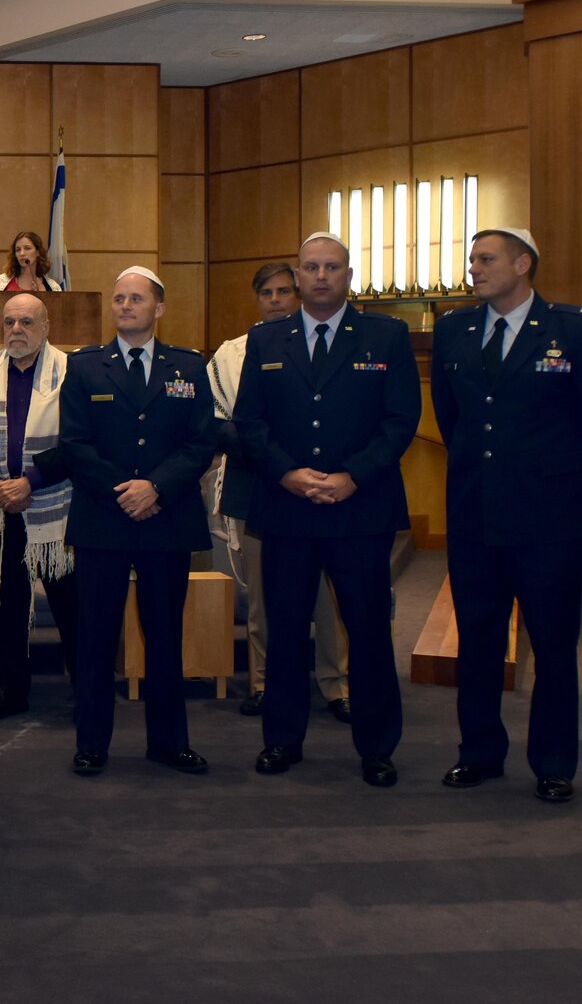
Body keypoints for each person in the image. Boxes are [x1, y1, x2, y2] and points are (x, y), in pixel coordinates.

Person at [430, 228, 582, 803]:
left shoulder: (576, 330)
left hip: (551, 523)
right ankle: (480, 752)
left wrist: (563, 488)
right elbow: (452, 417)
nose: (474, 269)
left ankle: (555, 762)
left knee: (554, 644)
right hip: (475, 517)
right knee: (479, 642)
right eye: (472, 261)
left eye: (486, 260)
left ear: (523, 263)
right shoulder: (453, 330)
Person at [233, 233, 419, 787]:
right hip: (287, 508)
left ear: (348, 275)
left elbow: (400, 421)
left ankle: (378, 746)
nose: (320, 277)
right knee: (286, 630)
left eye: (331, 268)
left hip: (359, 509)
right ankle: (282, 740)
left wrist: (351, 476)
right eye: (310, 268)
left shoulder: (385, 336)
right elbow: (250, 424)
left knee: (367, 630)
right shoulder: (266, 340)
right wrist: (286, 472)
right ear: (297, 275)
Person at [57, 266, 216, 776]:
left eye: (136, 299)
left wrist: (157, 488)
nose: (125, 306)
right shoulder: (83, 367)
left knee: (165, 634)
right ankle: (92, 743)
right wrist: (123, 492)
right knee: (97, 635)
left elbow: (200, 443)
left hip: (166, 518)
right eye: (119, 298)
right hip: (104, 518)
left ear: (159, 309)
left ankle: (169, 742)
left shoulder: (189, 367)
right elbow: (75, 445)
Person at [208, 261, 349, 723]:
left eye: (284, 291)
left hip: (321, 487)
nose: (275, 300)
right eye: (266, 292)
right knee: (263, 596)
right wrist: (271, 458)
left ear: (300, 294)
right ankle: (265, 681)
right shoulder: (231, 354)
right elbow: (218, 424)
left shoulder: (322, 344)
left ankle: (336, 684)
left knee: (328, 597)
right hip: (257, 483)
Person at [0, 292, 78, 720]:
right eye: (9, 322)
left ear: (46, 327)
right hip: (4, 506)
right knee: (7, 602)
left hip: (56, 505)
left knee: (71, 602)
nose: (16, 331)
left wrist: (32, 481)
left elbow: (80, 444)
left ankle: (85, 687)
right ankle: (10, 688)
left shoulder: (71, 372)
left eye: (27, 322)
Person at [0, 231, 64, 293]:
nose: (22, 253)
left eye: (27, 248)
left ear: (38, 252)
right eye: (18, 250)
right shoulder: (0, 282)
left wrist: (43, 296)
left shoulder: (52, 287)